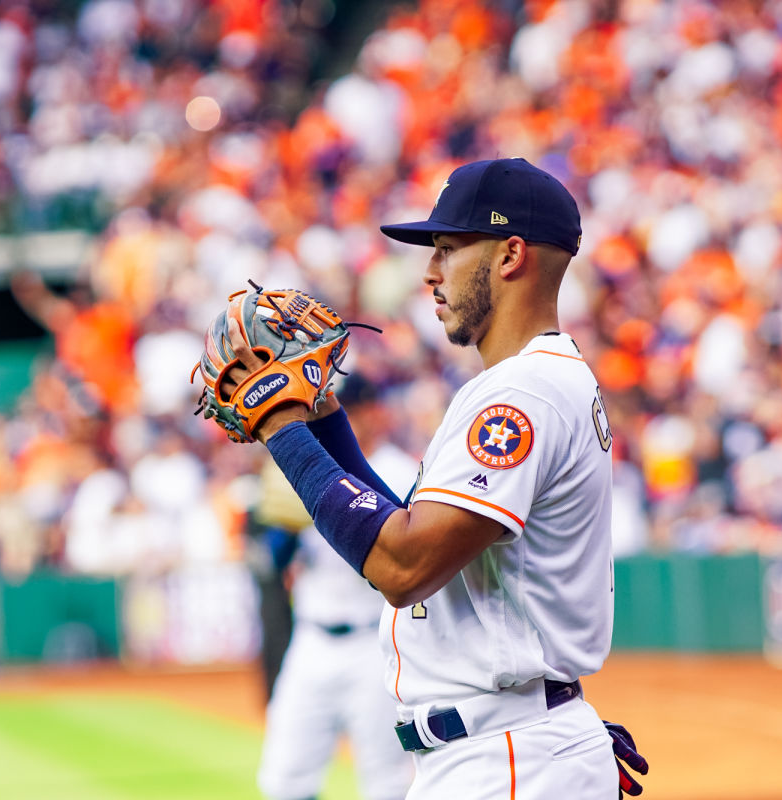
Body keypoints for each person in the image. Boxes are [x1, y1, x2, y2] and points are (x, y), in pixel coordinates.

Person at [223, 158, 641, 798]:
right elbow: (413, 539)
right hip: (514, 746)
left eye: (447, 249)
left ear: (510, 255)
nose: (429, 271)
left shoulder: (522, 392)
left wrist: (280, 427)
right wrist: (322, 417)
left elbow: (404, 567)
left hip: (505, 756)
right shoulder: (541, 380)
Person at [256, 375, 415, 800]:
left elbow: (402, 559)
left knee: (386, 781)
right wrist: (283, 529)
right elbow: (274, 559)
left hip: (375, 645)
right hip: (311, 640)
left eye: (361, 409)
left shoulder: (397, 469)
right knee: (285, 778)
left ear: (377, 413)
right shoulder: (310, 463)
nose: (357, 418)